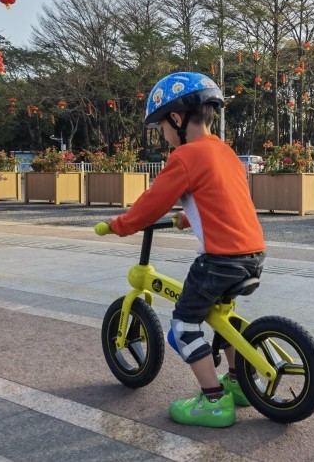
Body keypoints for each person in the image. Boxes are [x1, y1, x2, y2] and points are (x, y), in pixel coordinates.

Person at [107, 72, 265, 428]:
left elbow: (150, 204)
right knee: (222, 316)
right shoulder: (225, 153)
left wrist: (121, 224)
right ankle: (240, 384)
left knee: (183, 324)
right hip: (252, 254)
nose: (163, 135)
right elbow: (222, 201)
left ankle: (213, 401)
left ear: (176, 119)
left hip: (220, 259)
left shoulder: (184, 157)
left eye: (161, 125)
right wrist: (187, 219)